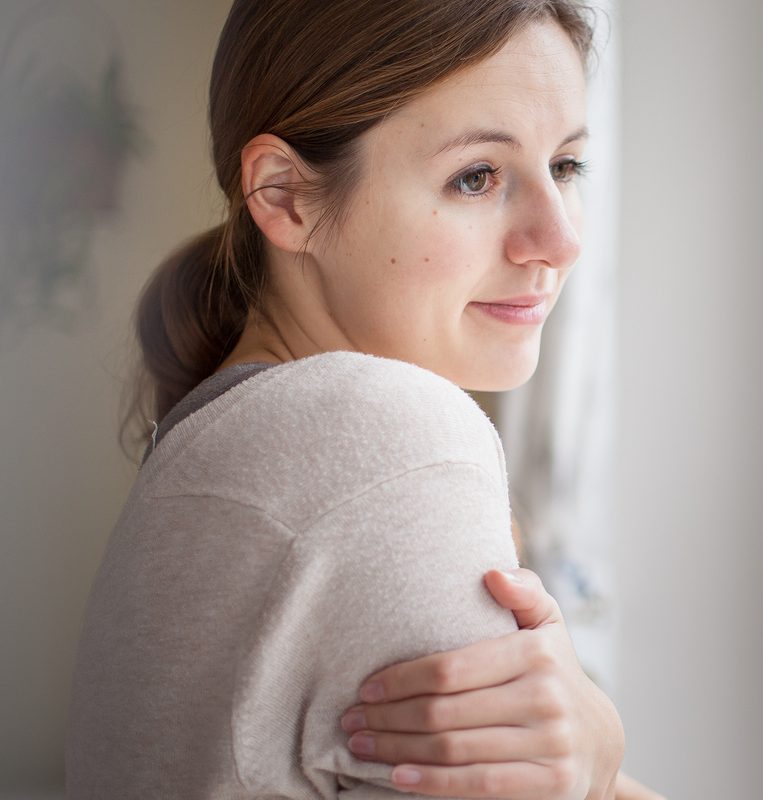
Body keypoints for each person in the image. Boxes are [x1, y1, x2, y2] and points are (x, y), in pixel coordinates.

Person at [65, 1, 662, 797]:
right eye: (477, 177)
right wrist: (600, 762)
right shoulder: (387, 431)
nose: (561, 240)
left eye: (566, 167)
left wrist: (600, 763)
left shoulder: (219, 432)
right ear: (284, 196)